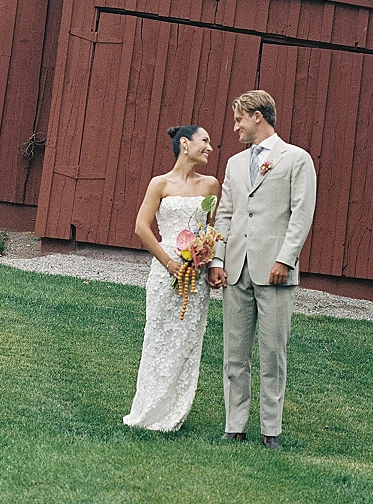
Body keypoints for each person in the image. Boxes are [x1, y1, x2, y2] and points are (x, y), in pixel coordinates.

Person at [209, 90, 316, 450]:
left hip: (275, 271)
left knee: (272, 354)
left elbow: (301, 215)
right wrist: (218, 260)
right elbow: (225, 214)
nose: (235, 126)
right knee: (234, 354)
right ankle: (234, 425)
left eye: (239, 118)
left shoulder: (297, 160)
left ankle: (271, 430)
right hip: (236, 270)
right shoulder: (235, 165)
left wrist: (285, 259)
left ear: (258, 116)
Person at [123, 125, 220, 432]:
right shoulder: (160, 183)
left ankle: (174, 412)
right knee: (158, 336)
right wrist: (167, 262)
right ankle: (146, 409)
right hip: (165, 269)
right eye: (204, 141)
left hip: (196, 272)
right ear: (184, 144)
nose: (209, 148)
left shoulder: (210, 185)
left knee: (186, 340)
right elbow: (141, 226)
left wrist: (205, 257)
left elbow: (212, 230)